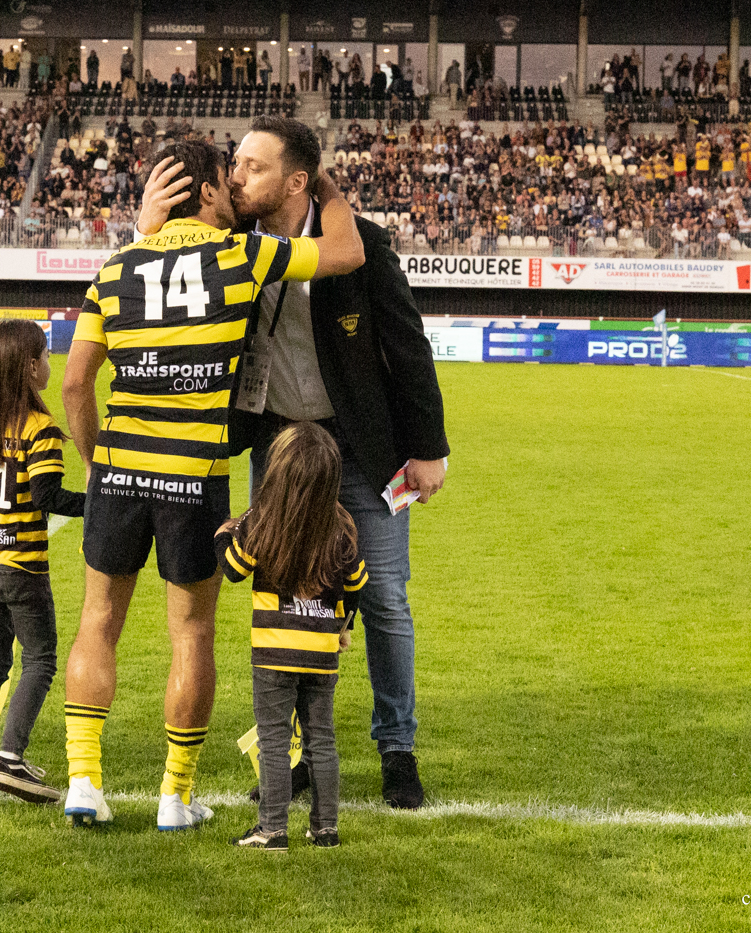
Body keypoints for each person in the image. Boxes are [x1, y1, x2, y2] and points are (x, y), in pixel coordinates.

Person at [137, 116, 449, 808]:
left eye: (251, 166)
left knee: (385, 599)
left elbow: (408, 346)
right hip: (278, 449)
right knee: (286, 601)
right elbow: (151, 283)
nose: (235, 175)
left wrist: (429, 448)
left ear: (297, 181)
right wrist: (147, 226)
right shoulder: (229, 244)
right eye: (235, 164)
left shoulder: (361, 243)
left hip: (363, 450)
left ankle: (397, 747)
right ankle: (300, 755)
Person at [60, 140, 365, 831]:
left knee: (97, 623)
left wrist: (95, 459)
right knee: (191, 634)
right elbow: (345, 253)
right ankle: (175, 796)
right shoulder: (243, 256)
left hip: (120, 468)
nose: (237, 197)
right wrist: (322, 185)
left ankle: (84, 780)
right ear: (204, 194)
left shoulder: (115, 268)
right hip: (192, 476)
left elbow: (75, 381)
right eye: (227, 188)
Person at [0, 319, 86, 803]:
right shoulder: (40, 430)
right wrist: (104, 502)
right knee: (41, 658)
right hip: (21, 564)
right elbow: (47, 496)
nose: (51, 362)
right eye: (47, 355)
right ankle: (10, 760)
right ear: (30, 368)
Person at [218, 422, 367, 852]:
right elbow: (357, 584)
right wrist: (343, 626)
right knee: (322, 738)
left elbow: (232, 567)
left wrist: (226, 530)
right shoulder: (341, 528)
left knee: (275, 740)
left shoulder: (263, 522)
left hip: (273, 654)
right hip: (322, 653)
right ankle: (326, 829)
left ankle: (272, 828)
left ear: (276, 474)